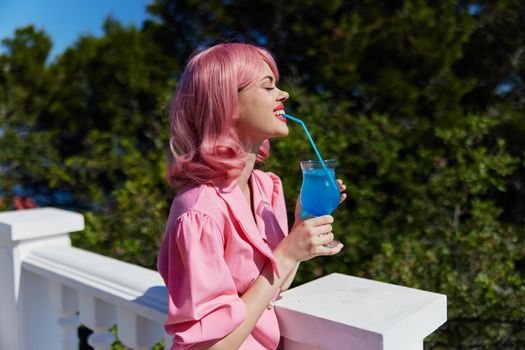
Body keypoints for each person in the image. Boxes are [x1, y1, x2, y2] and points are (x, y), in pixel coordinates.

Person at [157, 43, 347, 350]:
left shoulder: (266, 188)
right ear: (226, 104)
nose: (283, 94)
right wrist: (285, 254)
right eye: (268, 85)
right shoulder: (198, 211)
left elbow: (275, 284)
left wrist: (302, 222)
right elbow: (207, 347)